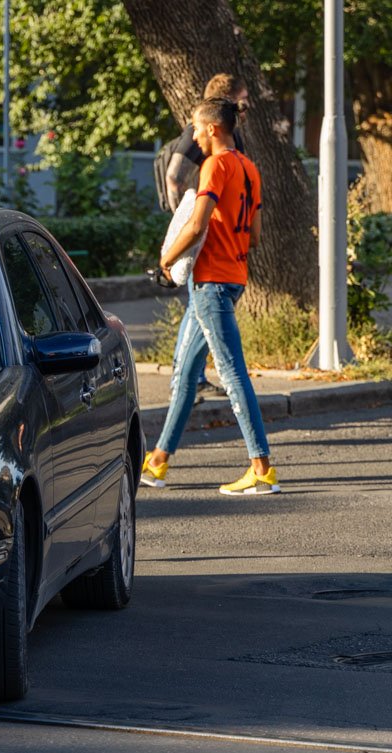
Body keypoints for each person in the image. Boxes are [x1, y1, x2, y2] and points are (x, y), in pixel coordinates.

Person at [141, 97, 279, 496]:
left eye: (197, 129)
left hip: (211, 283)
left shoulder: (214, 166)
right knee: (185, 374)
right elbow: (255, 235)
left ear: (214, 129)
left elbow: (197, 224)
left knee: (232, 373)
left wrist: (166, 259)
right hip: (233, 277)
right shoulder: (250, 169)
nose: (195, 136)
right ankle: (159, 462)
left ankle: (262, 468)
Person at [166, 73, 251, 405]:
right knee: (197, 311)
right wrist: (181, 224)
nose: (247, 108)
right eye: (243, 102)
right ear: (227, 103)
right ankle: (185, 380)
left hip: (214, 239)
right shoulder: (202, 136)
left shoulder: (231, 144)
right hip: (201, 237)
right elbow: (174, 176)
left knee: (198, 312)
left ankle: (190, 379)